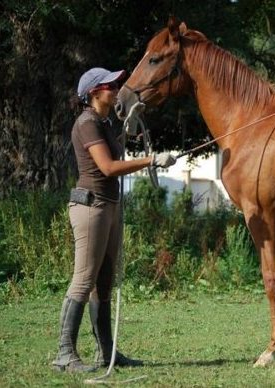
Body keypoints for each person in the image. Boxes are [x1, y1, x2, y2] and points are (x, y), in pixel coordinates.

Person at [52, 67, 176, 372]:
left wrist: (129, 123)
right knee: (83, 281)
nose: (117, 86)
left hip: (110, 206)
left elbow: (119, 148)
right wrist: (151, 160)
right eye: (112, 84)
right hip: (91, 207)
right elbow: (108, 167)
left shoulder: (106, 123)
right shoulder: (87, 122)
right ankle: (64, 353)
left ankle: (106, 353)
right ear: (95, 93)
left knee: (103, 285)